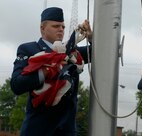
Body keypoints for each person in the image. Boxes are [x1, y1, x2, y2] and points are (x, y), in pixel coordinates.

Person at [10, 7, 92, 136]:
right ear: (42, 28)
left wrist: (91, 37)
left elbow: (96, 53)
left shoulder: (70, 52)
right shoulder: (29, 49)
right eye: (56, 26)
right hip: (37, 130)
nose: (61, 29)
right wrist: (47, 70)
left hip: (66, 130)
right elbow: (17, 85)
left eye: (63, 27)